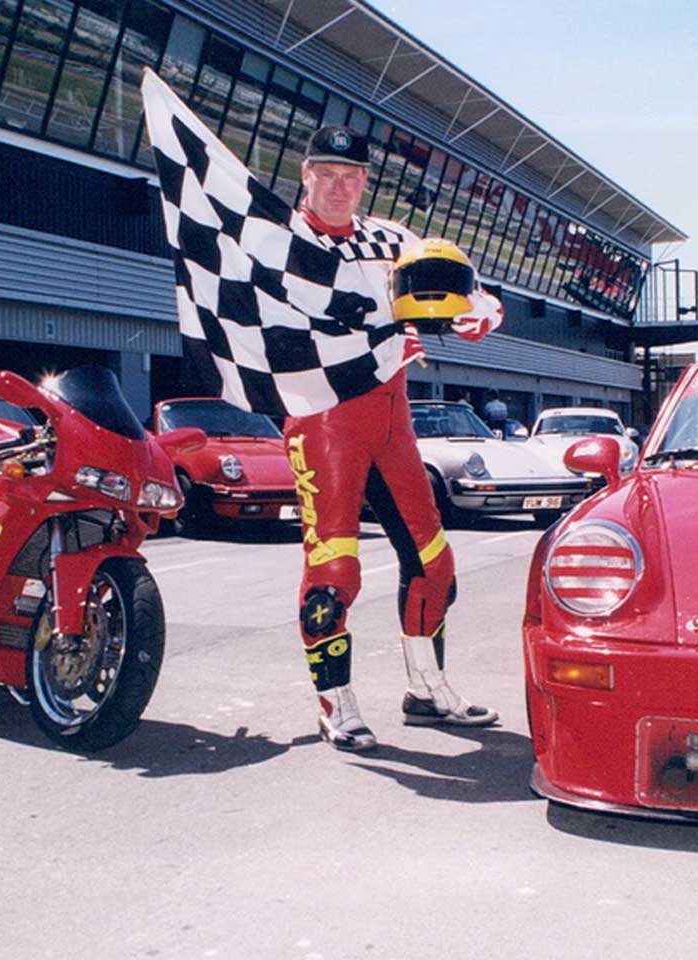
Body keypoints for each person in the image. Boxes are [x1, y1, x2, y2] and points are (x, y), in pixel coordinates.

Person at [287, 126, 503, 751]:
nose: (338, 186)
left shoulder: (394, 238)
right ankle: (335, 703)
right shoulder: (274, 240)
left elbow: (467, 286)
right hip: (323, 419)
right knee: (334, 572)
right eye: (326, 173)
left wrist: (478, 312)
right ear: (305, 174)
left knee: (436, 566)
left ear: (364, 181)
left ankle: (425, 688)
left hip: (392, 418)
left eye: (351, 176)